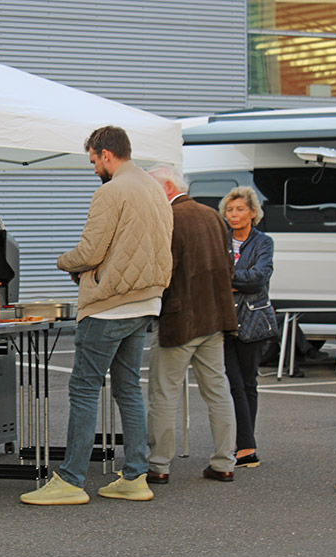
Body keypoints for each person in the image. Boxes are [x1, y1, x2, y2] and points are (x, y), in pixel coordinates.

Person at [20, 125, 173, 505]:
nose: (93, 169)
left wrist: (63, 262)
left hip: (109, 305)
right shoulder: (156, 188)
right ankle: (135, 476)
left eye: (93, 161)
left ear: (106, 154)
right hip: (146, 302)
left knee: (84, 389)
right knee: (127, 390)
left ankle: (71, 480)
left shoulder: (111, 191)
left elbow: (90, 250)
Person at [145, 165, 239, 484]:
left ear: (168, 187)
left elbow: (162, 271)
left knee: (164, 393)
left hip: (179, 321)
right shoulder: (212, 214)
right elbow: (228, 266)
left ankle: (159, 465)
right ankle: (225, 461)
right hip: (215, 316)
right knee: (218, 392)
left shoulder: (169, 218)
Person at [221, 185, 277, 469]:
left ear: (253, 213)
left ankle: (245, 445)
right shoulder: (221, 239)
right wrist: (234, 279)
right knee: (234, 383)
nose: (234, 214)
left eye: (240, 209)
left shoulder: (263, 242)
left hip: (253, 319)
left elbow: (259, 277)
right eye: (230, 210)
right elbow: (212, 272)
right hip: (224, 320)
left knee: (248, 383)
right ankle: (245, 444)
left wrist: (230, 279)